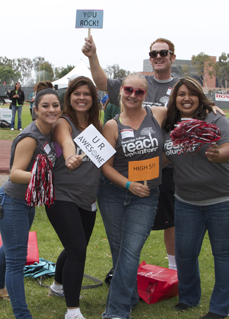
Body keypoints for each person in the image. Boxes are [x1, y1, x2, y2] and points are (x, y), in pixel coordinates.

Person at [83, 36, 179, 270]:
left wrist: (212, 106)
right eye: (154, 53)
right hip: (124, 171)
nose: (158, 57)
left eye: (163, 53)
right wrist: (93, 55)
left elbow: (194, 104)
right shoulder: (137, 82)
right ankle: (122, 271)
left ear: (172, 57)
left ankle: (174, 268)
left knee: (170, 221)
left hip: (162, 168)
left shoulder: (180, 86)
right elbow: (101, 81)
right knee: (124, 235)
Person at [162, 77, 229, 319]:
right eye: (181, 94)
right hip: (187, 201)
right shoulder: (169, 125)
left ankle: (220, 308)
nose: (186, 98)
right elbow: (163, 158)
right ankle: (188, 297)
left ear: (200, 97)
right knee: (185, 252)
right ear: (174, 99)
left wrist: (218, 153)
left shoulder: (215, 118)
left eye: (192, 94)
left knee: (224, 252)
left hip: (225, 199)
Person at [0, 82, 61, 319]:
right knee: (17, 259)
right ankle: (22, 315)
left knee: (12, 248)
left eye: (56, 105)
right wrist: (45, 178)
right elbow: (15, 173)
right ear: (35, 108)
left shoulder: (51, 131)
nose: (51, 110)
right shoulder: (30, 137)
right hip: (12, 201)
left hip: (25, 203)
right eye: (45, 106)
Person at [97, 72, 168, 319]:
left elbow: (184, 105)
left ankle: (115, 312)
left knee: (130, 251)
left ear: (145, 95)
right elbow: (105, 167)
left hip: (147, 195)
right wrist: (129, 185)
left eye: (139, 92)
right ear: (120, 91)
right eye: (128, 90)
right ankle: (128, 297)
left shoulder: (157, 114)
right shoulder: (112, 125)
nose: (133, 95)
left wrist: (211, 104)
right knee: (120, 252)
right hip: (113, 194)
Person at [45, 76, 102, 319]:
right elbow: (67, 141)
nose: (81, 97)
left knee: (75, 247)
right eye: (76, 93)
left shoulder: (97, 126)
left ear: (93, 98)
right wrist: (69, 157)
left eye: (86, 94)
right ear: (69, 97)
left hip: (88, 197)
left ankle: (58, 286)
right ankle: (73, 311)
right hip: (62, 195)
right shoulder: (63, 122)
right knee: (78, 249)